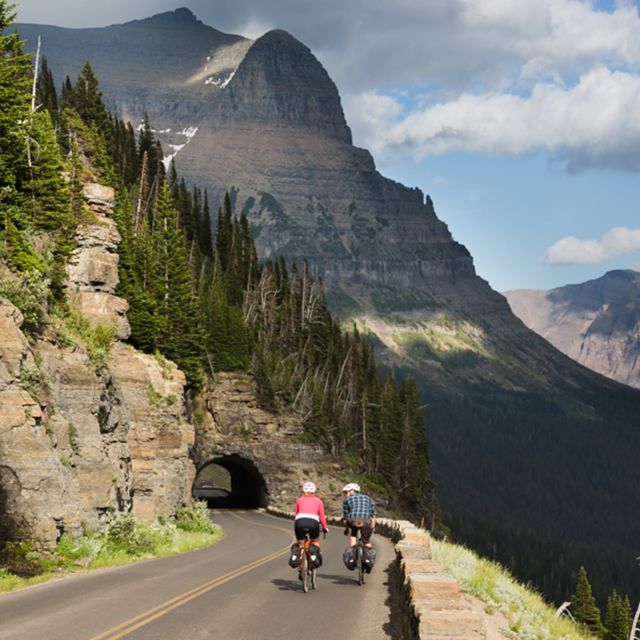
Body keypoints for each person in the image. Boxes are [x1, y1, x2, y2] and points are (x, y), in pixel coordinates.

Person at [293, 481, 329, 572]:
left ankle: (301, 566)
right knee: (315, 541)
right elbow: (322, 517)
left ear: (303, 491)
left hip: (299, 521)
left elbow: (296, 514)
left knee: (301, 544)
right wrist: (325, 527)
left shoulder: (299, 500)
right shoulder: (319, 501)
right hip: (313, 522)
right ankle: (314, 556)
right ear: (314, 491)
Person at [342, 482, 376, 548]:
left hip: (353, 520)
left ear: (351, 491)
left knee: (353, 535)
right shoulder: (368, 498)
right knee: (366, 541)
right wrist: (372, 528)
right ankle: (368, 557)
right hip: (366, 520)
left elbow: (345, 517)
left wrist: (346, 529)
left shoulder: (347, 500)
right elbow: (373, 515)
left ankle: (352, 554)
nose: (345, 495)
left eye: (346, 492)